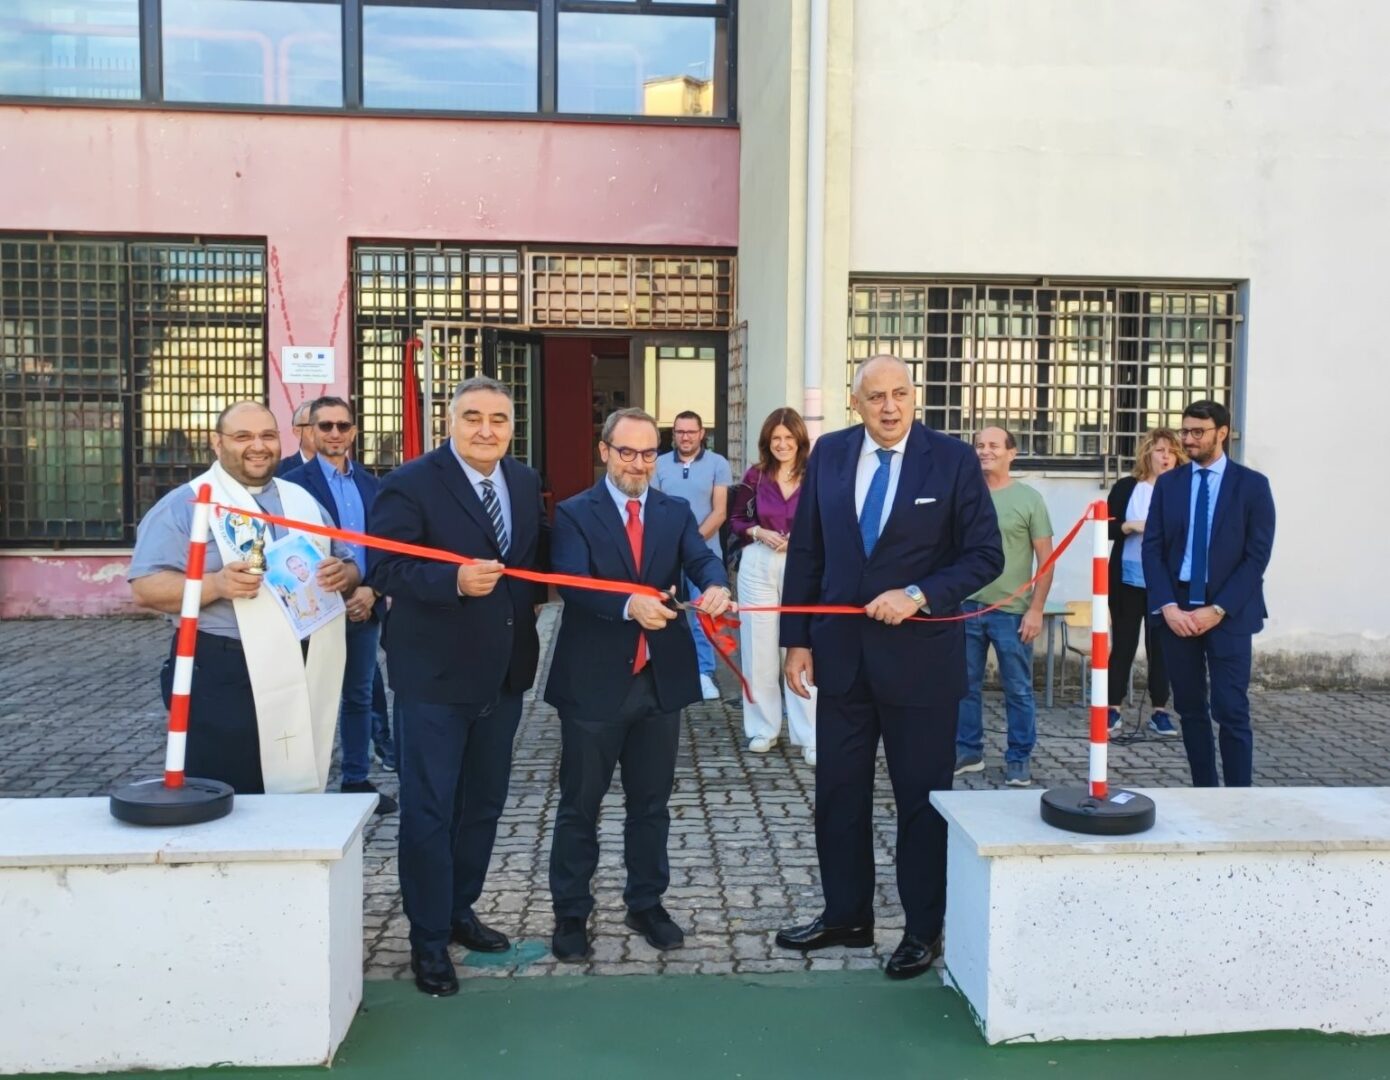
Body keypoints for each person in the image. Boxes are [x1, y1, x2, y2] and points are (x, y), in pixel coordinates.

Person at [775, 355, 1003, 980]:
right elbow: (810, 552)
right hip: (842, 660)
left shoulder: (952, 460)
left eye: (900, 393)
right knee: (838, 796)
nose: (890, 407)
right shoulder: (829, 455)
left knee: (921, 804)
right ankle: (846, 915)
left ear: (915, 396)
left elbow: (985, 554)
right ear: (857, 404)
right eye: (875, 397)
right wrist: (796, 641)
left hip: (920, 668)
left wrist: (919, 593)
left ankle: (924, 930)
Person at [370, 376, 549, 997]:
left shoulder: (523, 482)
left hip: (503, 676)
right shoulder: (412, 481)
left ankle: (459, 909)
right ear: (451, 421)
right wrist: (450, 581)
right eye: (472, 416)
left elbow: (532, 564)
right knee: (428, 809)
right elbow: (384, 564)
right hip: (433, 678)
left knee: (483, 805)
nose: (485, 429)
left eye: (498, 418)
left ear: (510, 426)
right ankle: (425, 941)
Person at [545, 407, 732, 963]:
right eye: (626, 452)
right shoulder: (575, 513)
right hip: (594, 683)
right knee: (580, 805)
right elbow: (572, 584)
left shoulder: (674, 512)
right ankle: (571, 912)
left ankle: (646, 903)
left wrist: (717, 586)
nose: (638, 463)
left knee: (651, 804)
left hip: (659, 679)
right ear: (604, 451)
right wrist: (630, 604)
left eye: (649, 453)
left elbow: (701, 559)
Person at [129, 401, 358, 795]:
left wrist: (346, 575)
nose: (258, 446)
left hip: (303, 659)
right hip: (225, 666)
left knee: (294, 773)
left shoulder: (301, 500)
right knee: (227, 785)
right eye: (243, 436)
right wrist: (214, 586)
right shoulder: (186, 504)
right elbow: (145, 587)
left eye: (267, 435)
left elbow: (347, 563)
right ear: (215, 443)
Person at [1143, 400, 1275, 788]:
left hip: (1229, 611)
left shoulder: (1252, 485)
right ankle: (1205, 790)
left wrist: (1218, 609)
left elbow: (1256, 557)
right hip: (1177, 608)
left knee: (1231, 708)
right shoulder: (1170, 484)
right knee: (1189, 707)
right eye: (1185, 431)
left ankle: (1237, 797)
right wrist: (1167, 605)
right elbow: (1153, 548)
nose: (1188, 439)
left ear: (1222, 432)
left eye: (1197, 432)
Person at [284, 396, 396, 816]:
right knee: (305, 695)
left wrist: (371, 590)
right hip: (308, 611)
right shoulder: (289, 484)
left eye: (343, 426)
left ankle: (354, 779)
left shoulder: (373, 485)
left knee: (358, 697)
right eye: (325, 426)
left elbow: (383, 547)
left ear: (353, 431)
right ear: (310, 431)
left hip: (361, 608)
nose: (334, 434)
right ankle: (298, 784)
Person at [952, 426, 1055, 788]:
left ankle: (1018, 757)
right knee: (963, 686)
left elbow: (1046, 559)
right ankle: (968, 751)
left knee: (1018, 688)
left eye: (994, 445)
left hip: (1012, 612)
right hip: (967, 608)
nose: (985, 451)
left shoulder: (1028, 499)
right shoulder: (964, 496)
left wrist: (1036, 609)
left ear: (1012, 452)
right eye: (979, 445)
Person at [729, 407, 817, 764]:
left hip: (802, 564)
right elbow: (736, 520)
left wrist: (800, 537)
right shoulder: (756, 475)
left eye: (788, 438)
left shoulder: (815, 475)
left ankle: (810, 734)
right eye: (776, 438)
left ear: (799, 441)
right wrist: (758, 531)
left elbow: (828, 520)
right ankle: (763, 728)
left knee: (801, 646)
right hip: (758, 564)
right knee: (758, 649)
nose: (782, 444)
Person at [1106, 427, 1186, 738]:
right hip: (1128, 575)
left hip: (1164, 580)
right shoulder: (1128, 487)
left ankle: (1160, 710)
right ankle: (1112, 709)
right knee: (1123, 644)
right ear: (1147, 454)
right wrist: (1128, 525)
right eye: (1160, 450)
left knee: (1161, 648)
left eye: (1172, 451)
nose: (1166, 457)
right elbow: (1107, 529)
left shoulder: (1182, 489)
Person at [652, 409, 732, 701]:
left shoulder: (718, 464)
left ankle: (704, 673)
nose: (685, 437)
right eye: (679, 432)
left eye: (691, 431)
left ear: (702, 434)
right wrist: (674, 547)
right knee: (669, 613)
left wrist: (691, 544)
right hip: (666, 554)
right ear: (673, 435)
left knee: (702, 614)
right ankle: (671, 671)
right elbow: (655, 509)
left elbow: (720, 511)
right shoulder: (658, 464)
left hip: (703, 556)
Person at [277, 401, 315, 476]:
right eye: (314, 425)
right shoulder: (279, 471)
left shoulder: (342, 469)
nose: (322, 432)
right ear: (297, 431)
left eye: (325, 425)